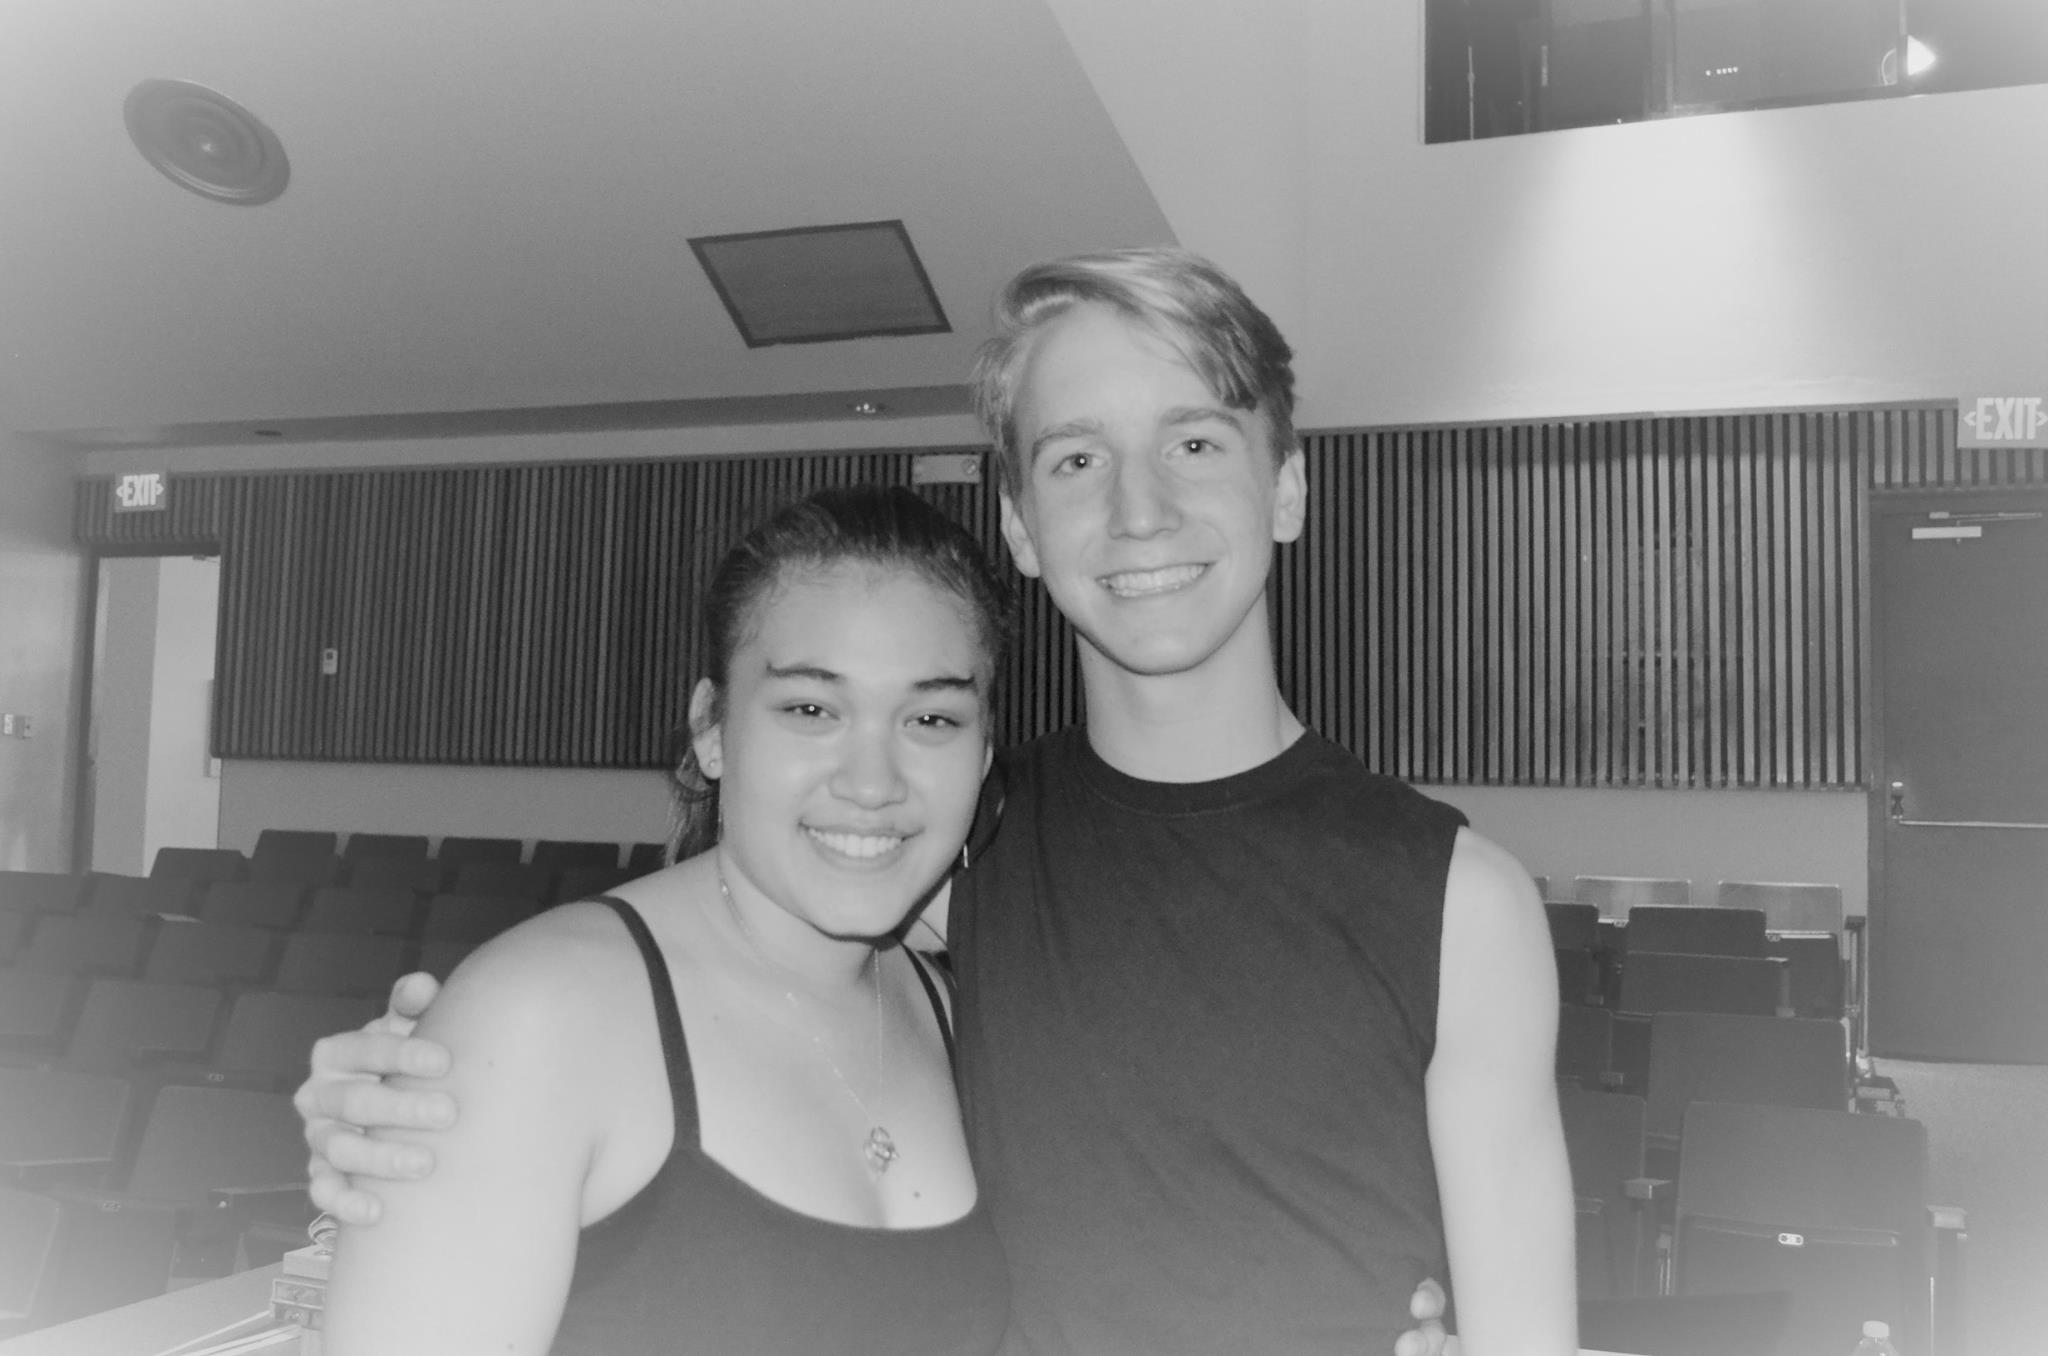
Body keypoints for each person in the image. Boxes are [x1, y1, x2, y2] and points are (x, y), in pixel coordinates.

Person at [299, 248, 1572, 1355]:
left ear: (1285, 486)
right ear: (1018, 523)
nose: (1139, 510)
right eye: (1077, 458)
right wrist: (444, 1082)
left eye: (1194, 443)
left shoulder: (1458, 902)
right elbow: (698, 966)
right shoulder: (948, 844)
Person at [319, 485, 1015, 1355]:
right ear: (712, 729)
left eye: (932, 718)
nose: (872, 782)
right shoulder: (538, 1017)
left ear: (983, 755)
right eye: (811, 709)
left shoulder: (964, 1011)